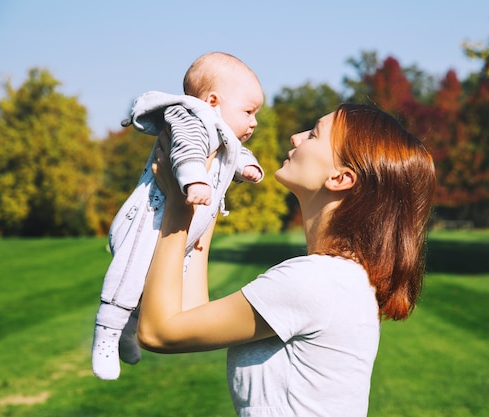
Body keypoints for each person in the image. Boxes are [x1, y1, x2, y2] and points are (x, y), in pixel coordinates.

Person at [137, 103, 437, 416]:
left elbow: (157, 332)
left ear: (340, 178)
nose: (296, 137)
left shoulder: (314, 282)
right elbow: (189, 318)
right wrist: (207, 198)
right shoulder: (341, 279)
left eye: (314, 134)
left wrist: (176, 207)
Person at [91, 52, 265, 380]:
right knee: (128, 278)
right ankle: (106, 334)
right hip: (147, 220)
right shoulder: (191, 117)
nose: (254, 122)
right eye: (249, 111)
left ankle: (128, 331)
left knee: (156, 288)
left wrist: (247, 167)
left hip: (179, 229)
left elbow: (234, 156)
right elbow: (186, 149)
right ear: (213, 101)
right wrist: (195, 179)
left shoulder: (221, 132)